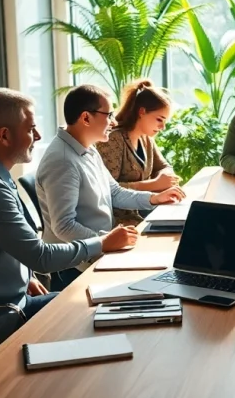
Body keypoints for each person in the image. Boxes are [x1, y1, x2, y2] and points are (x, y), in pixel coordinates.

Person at [0, 88, 139, 364]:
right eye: (31, 129)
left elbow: (3, 243)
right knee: (96, 318)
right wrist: (102, 243)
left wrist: (24, 277)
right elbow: (41, 257)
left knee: (98, 310)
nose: (38, 137)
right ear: (4, 135)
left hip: (4, 304)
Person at [37, 84, 185, 290]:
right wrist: (105, 241)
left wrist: (154, 198)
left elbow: (114, 192)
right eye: (109, 115)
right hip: (74, 268)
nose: (114, 122)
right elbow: (63, 227)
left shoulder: (87, 148)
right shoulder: (62, 161)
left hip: (99, 251)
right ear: (86, 118)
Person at [96, 78, 180, 227]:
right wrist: (154, 184)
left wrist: (165, 177)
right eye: (159, 119)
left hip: (144, 212)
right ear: (142, 111)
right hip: (120, 223)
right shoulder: (113, 140)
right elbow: (109, 190)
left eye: (165, 121)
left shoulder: (146, 138)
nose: (162, 127)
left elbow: (164, 166)